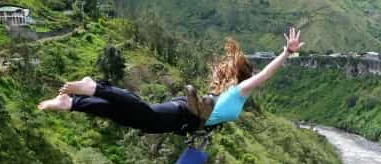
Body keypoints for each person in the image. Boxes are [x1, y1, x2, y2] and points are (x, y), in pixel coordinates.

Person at [38, 28, 305, 135]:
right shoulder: (239, 91)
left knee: (132, 118)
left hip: (185, 117)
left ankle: (72, 103)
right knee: (140, 112)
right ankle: (94, 86)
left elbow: (210, 117)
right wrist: (286, 53)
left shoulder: (227, 91)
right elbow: (266, 74)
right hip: (181, 112)